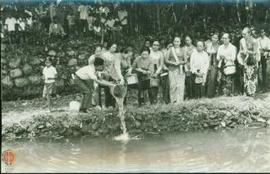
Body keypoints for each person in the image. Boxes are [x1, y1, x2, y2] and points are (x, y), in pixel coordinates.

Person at [237, 27, 261, 96]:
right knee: (246, 76)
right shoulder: (242, 40)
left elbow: (255, 52)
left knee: (253, 76)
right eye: (242, 34)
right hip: (246, 60)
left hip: (253, 60)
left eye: (244, 34)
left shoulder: (254, 41)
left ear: (249, 33)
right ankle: (247, 92)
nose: (243, 36)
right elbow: (240, 50)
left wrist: (247, 51)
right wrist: (242, 53)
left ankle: (253, 92)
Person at [100, 43, 124, 108]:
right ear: (109, 47)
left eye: (115, 48)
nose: (114, 49)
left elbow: (117, 67)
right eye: (113, 47)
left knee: (113, 89)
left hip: (112, 74)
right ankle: (105, 105)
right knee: (106, 90)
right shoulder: (104, 55)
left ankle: (112, 105)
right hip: (104, 73)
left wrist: (120, 77)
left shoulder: (115, 56)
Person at [165, 36, 186, 103]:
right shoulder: (170, 50)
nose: (176, 43)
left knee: (180, 85)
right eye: (175, 41)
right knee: (173, 85)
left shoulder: (183, 50)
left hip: (180, 69)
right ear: (173, 42)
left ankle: (180, 101)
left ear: (180, 42)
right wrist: (173, 63)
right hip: (172, 69)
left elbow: (185, 60)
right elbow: (166, 60)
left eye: (178, 41)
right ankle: (173, 100)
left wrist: (180, 62)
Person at [205, 33, 219, 97]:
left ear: (217, 39)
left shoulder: (218, 46)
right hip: (206, 62)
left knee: (212, 78)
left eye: (216, 38)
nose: (214, 39)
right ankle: (203, 94)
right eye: (213, 37)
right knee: (205, 78)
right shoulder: (207, 45)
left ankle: (211, 94)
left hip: (214, 63)